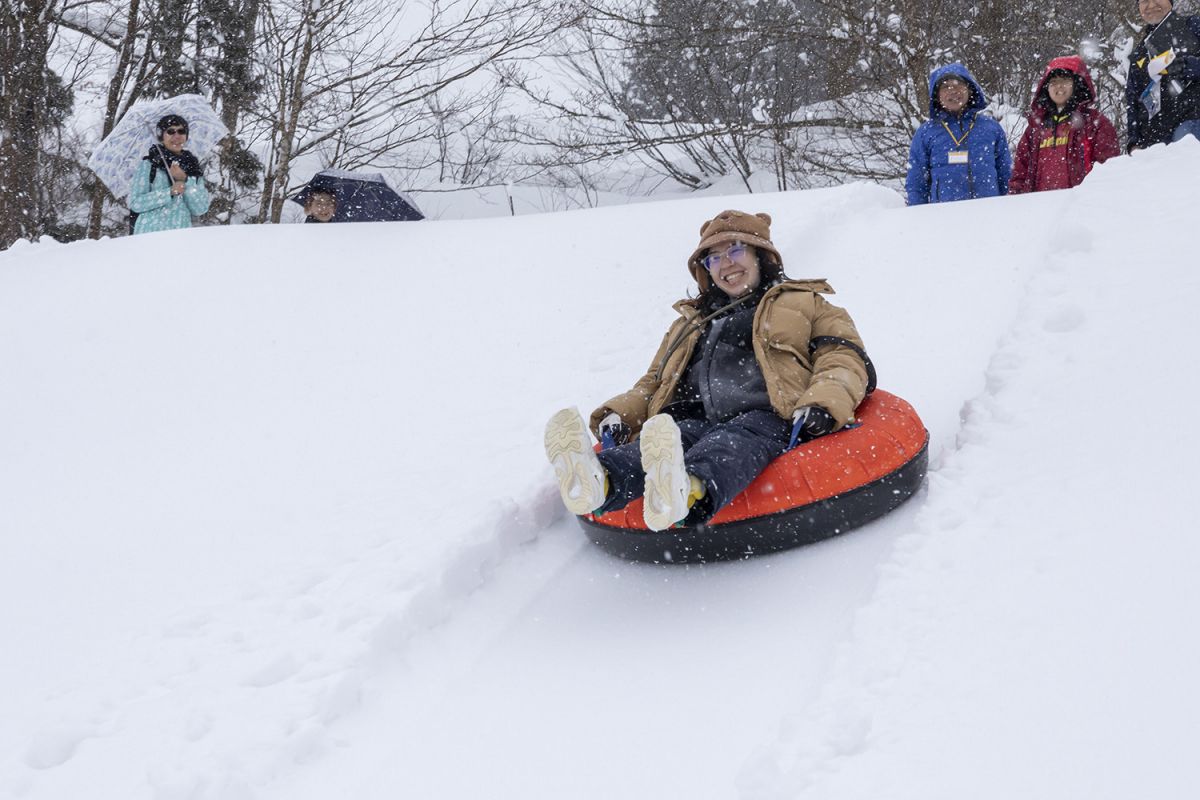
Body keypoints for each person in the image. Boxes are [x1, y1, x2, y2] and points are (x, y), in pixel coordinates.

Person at [543, 210, 872, 532]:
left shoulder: (808, 303)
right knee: (667, 442)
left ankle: (688, 490)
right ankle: (600, 481)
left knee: (730, 443)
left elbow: (842, 358)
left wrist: (822, 403)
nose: (725, 264)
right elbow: (655, 381)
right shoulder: (690, 322)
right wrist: (620, 414)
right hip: (696, 416)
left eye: (736, 250)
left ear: (761, 256)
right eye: (713, 258)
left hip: (766, 414)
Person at [1009, 56, 1120, 194]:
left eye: (1065, 80)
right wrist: (1015, 199)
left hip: (1081, 202)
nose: (1059, 86)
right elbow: (1020, 173)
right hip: (1038, 203)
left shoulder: (1094, 123)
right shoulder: (1035, 128)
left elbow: (1108, 170)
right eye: (1053, 82)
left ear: (1077, 84)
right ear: (1046, 88)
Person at [905, 63, 1012, 205]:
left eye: (958, 84)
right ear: (937, 95)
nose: (953, 91)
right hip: (945, 213)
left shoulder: (991, 127)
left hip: (988, 209)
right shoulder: (926, 133)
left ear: (970, 89)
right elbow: (916, 182)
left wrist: (1008, 206)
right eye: (945, 87)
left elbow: (1006, 174)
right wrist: (918, 212)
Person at [1125, 0, 1200, 151]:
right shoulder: (1139, 54)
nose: (1151, 5)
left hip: (1191, 125)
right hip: (1155, 142)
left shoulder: (1193, 26)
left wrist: (1187, 66)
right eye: (1144, 1)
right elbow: (1133, 101)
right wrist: (1134, 142)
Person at [128, 114, 210, 234]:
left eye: (181, 131)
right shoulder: (149, 165)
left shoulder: (193, 168)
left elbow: (201, 208)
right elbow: (136, 203)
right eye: (170, 131)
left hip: (181, 236)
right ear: (161, 137)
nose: (177, 136)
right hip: (150, 235)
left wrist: (185, 180)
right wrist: (169, 192)